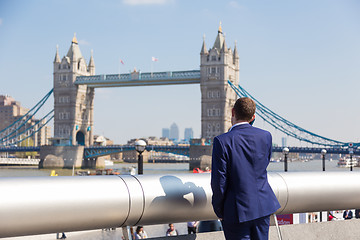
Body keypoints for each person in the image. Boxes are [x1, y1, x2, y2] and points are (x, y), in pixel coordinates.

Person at [211, 97, 281, 240]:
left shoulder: (222, 141)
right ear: (253, 117)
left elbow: (219, 182)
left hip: (236, 211)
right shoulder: (266, 136)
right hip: (263, 207)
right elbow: (262, 165)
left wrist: (219, 210)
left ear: (232, 112)